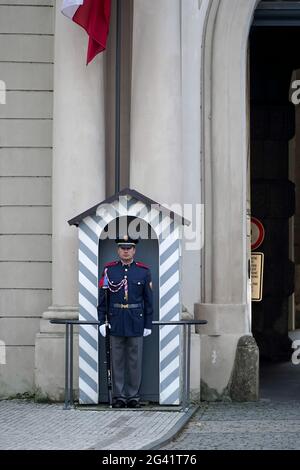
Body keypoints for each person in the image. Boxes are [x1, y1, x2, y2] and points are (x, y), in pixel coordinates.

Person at [97, 235, 153, 408]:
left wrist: (148, 324)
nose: (126, 250)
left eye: (129, 247)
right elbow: (103, 298)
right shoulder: (109, 270)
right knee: (117, 361)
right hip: (115, 320)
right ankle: (119, 396)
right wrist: (101, 321)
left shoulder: (143, 271)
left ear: (134, 250)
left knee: (135, 361)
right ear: (118, 250)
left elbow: (149, 300)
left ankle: (133, 396)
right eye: (123, 248)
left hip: (136, 321)